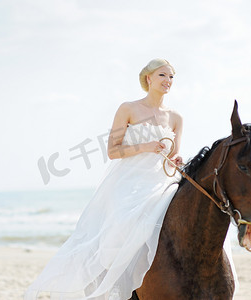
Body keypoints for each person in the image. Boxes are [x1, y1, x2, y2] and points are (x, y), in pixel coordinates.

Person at [25, 59, 185, 299]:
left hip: (160, 182)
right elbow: (113, 151)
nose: (168, 81)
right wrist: (145, 146)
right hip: (128, 183)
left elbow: (172, 156)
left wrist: (177, 160)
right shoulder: (128, 109)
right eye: (163, 75)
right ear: (149, 79)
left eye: (172, 77)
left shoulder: (176, 117)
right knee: (121, 228)